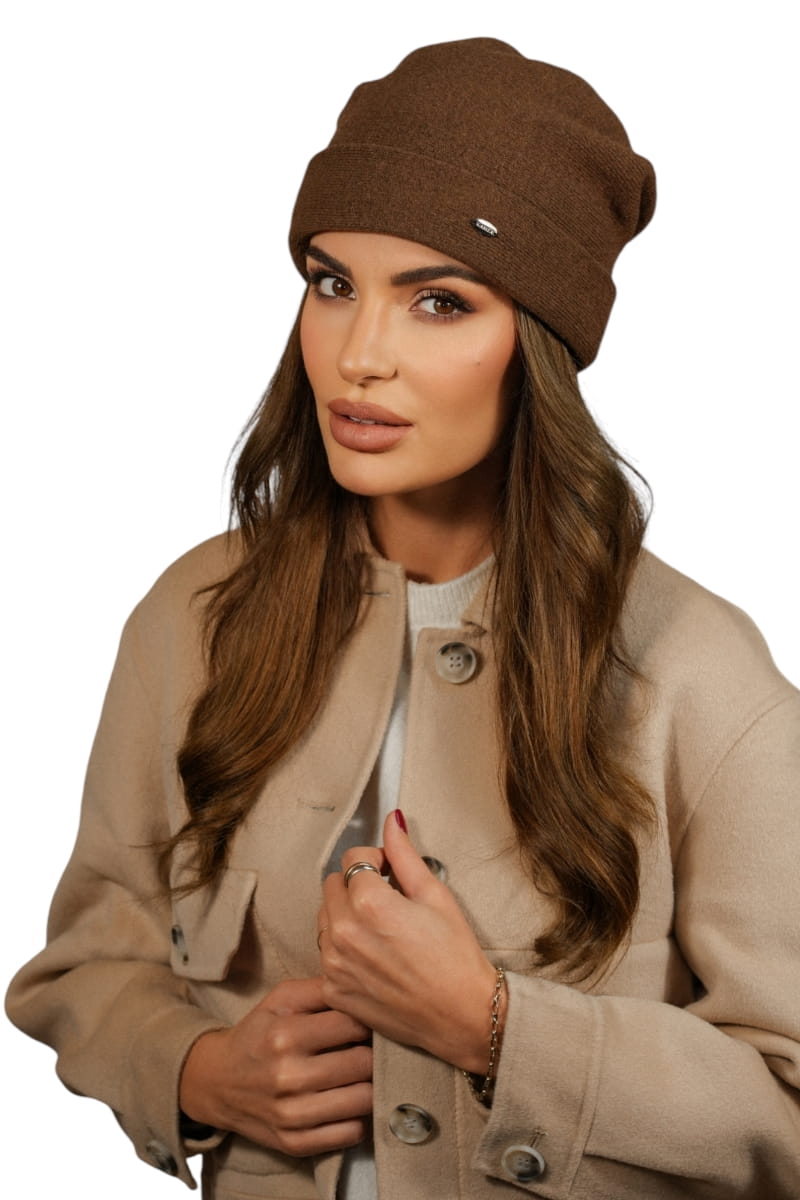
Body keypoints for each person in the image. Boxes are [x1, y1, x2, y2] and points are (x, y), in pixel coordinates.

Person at [6, 36, 800, 1200]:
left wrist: (493, 1026)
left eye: (437, 301)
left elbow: (784, 1104)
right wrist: (194, 1071)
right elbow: (88, 961)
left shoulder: (696, 675)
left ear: (536, 345)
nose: (358, 356)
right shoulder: (195, 617)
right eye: (331, 284)